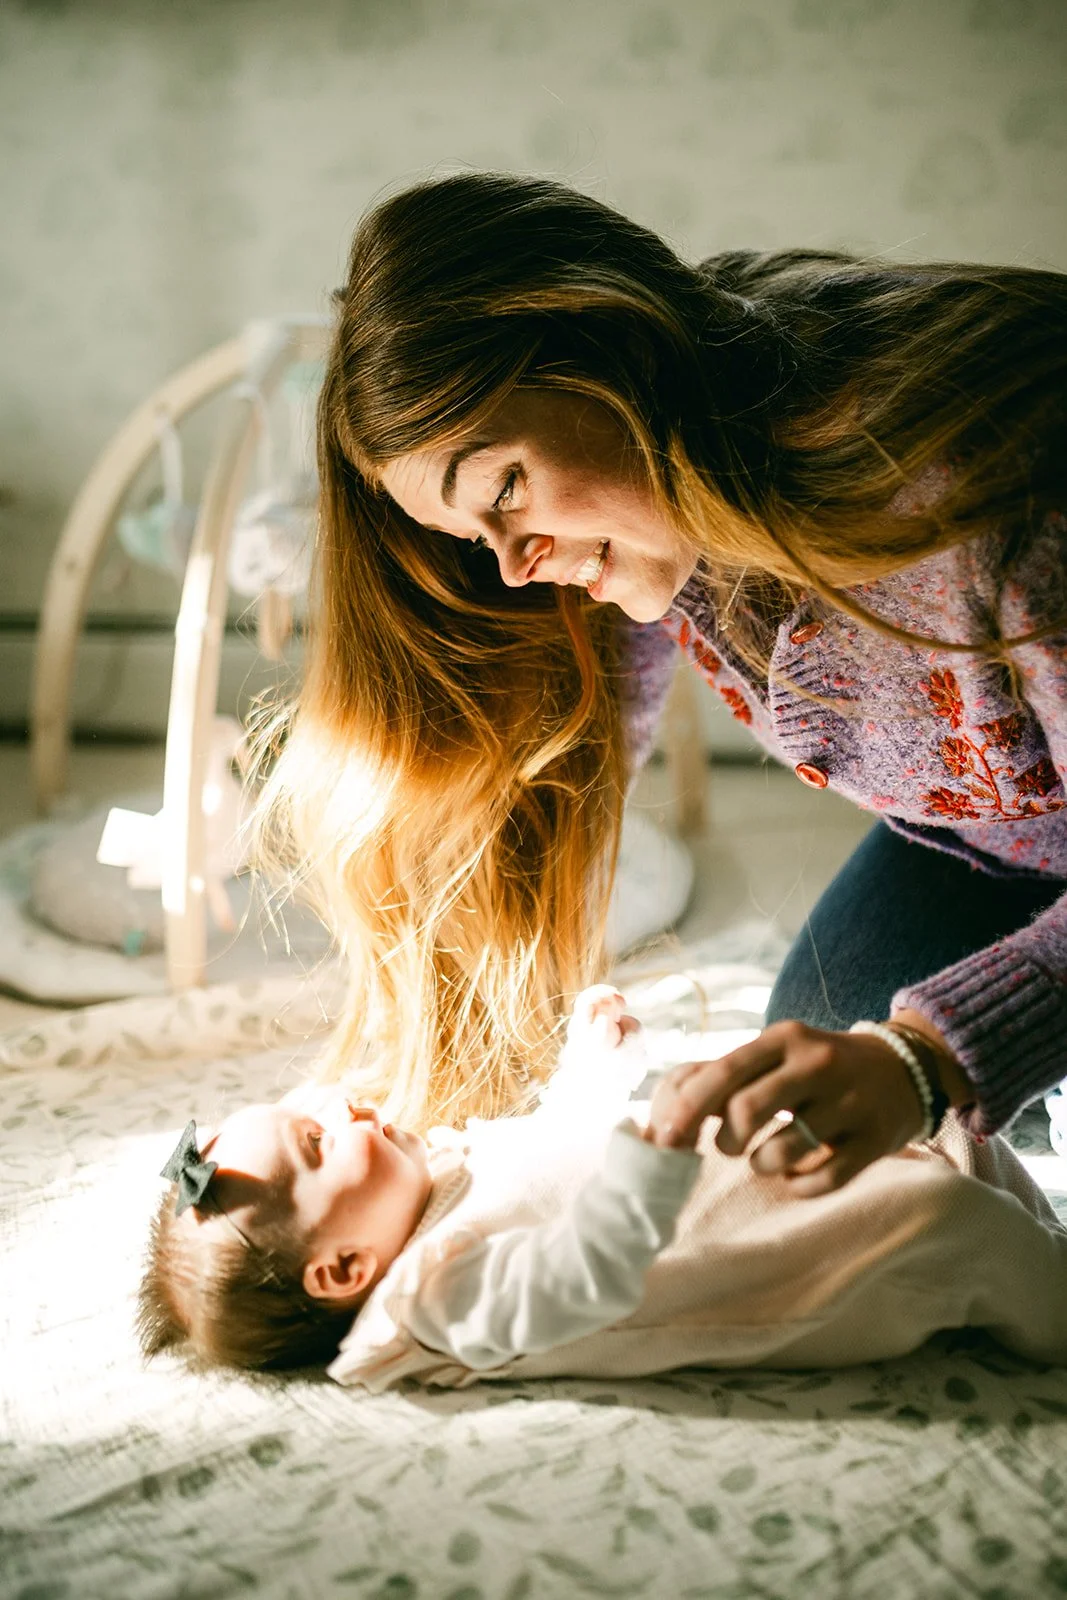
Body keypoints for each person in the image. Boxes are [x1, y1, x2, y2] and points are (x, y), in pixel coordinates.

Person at [255, 169, 1067, 1192]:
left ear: (617, 350)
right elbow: (537, 783)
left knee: (907, 1081)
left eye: (504, 486)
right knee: (810, 1068)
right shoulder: (655, 506)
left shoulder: (990, 493)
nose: (513, 564)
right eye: (472, 536)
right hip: (990, 847)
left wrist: (929, 1056)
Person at [137, 987, 1067, 1382]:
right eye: (317, 1141)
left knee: (922, 1102)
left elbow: (554, 1151)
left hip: (781, 1173)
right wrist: (655, 1150)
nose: (344, 1105)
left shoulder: (438, 1184)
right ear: (343, 1269)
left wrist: (587, 1069)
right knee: (947, 1223)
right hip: (805, 1255)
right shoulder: (440, 1301)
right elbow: (584, 1272)